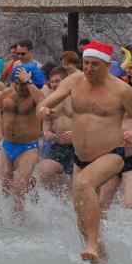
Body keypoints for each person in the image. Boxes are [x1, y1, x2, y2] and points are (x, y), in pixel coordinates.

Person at [37, 41, 132, 264]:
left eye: (94, 64)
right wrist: (43, 108)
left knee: (83, 184)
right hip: (81, 157)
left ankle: (92, 244)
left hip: (112, 154)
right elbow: (48, 100)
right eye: (86, 63)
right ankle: (102, 256)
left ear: (107, 65)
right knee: (81, 218)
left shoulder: (122, 91)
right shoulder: (74, 80)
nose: (89, 68)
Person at [0, 64, 45, 216]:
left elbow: (44, 102)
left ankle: (19, 217)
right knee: (4, 185)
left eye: (23, 84)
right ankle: (7, 214)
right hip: (7, 145)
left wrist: (28, 82)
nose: (19, 87)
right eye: (16, 83)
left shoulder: (35, 95)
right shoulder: (7, 93)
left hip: (28, 147)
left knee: (18, 183)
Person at [35, 67, 74, 195]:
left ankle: (70, 199)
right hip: (59, 146)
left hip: (78, 147)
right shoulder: (50, 99)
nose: (54, 84)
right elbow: (46, 120)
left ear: (66, 80)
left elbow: (89, 120)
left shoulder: (76, 97)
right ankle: (57, 200)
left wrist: (77, 132)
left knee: (77, 185)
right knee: (44, 170)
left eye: (57, 81)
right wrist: (46, 131)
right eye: (51, 82)